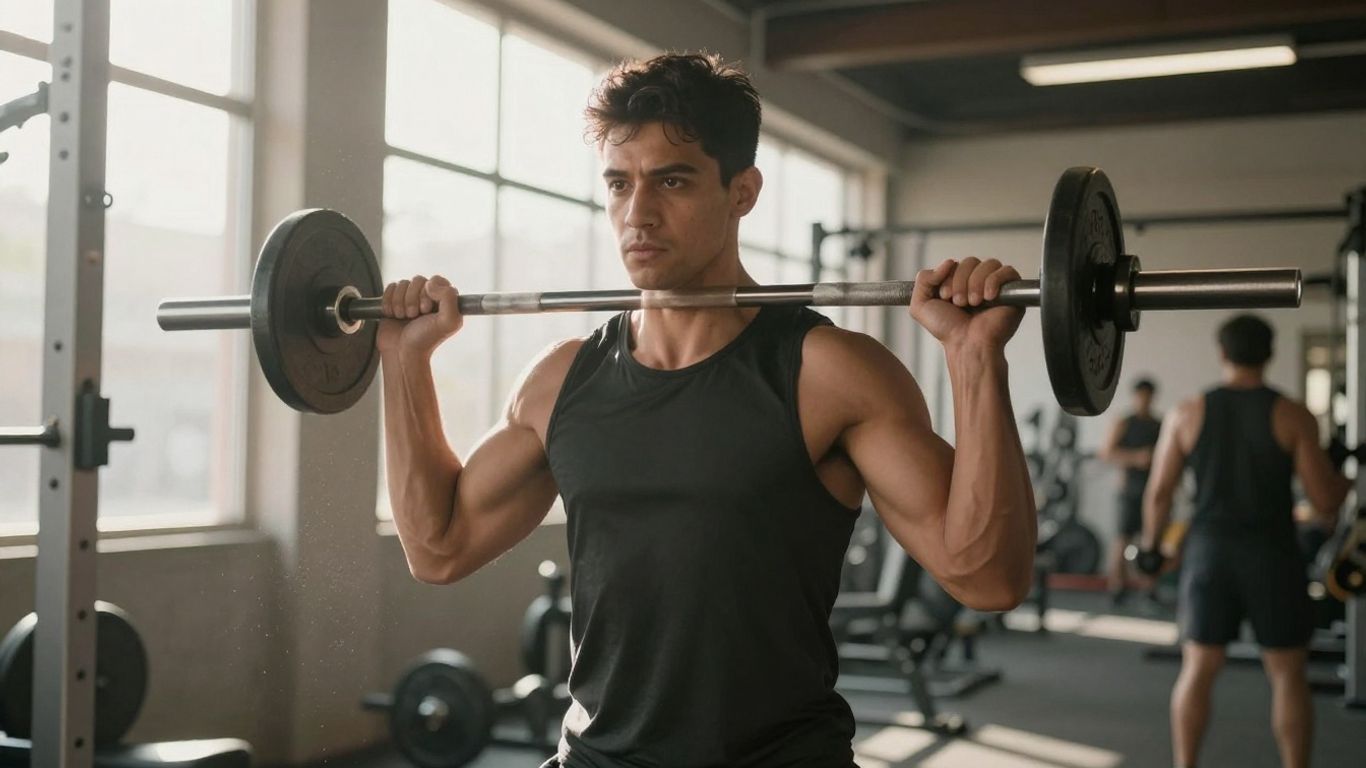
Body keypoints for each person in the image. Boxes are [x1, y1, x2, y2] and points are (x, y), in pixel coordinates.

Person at [375, 53, 1036, 767]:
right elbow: (438, 548)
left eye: (672, 180)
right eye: (619, 184)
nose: (638, 213)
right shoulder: (560, 380)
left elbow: (988, 576)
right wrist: (403, 361)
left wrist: (974, 359)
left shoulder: (830, 374)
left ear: (742, 191)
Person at [1139, 315, 1350, 768]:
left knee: (1198, 667)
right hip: (1272, 553)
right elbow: (1324, 500)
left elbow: (1158, 493)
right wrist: (1347, 479)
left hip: (1209, 553)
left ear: (1222, 352)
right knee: (1287, 673)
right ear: (1270, 354)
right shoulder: (1292, 414)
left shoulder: (1187, 411)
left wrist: (1152, 548)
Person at [1098, 377, 1161, 605]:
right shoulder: (1124, 422)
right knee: (1122, 539)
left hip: (1153, 491)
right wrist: (1136, 458)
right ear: (1135, 397)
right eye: (1141, 396)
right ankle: (1117, 587)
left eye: (1148, 397)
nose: (1144, 400)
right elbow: (1106, 453)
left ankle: (1149, 589)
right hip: (1129, 490)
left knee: (1152, 539)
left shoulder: (1159, 424)